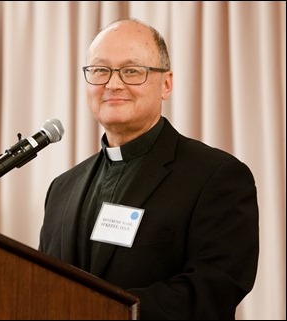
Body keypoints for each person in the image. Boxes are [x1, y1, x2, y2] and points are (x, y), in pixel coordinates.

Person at [39, 18, 259, 320]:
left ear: (166, 84)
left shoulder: (216, 176)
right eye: (100, 71)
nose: (113, 84)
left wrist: (101, 310)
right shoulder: (62, 188)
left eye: (131, 71)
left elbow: (214, 289)